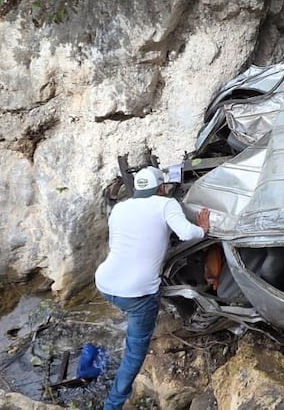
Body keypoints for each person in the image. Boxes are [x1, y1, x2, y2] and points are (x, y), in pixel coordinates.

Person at [95, 165, 210, 410]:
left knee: (131, 311)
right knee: (134, 355)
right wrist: (203, 229)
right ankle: (112, 406)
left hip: (105, 283)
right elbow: (187, 233)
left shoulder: (119, 208)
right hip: (138, 293)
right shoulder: (165, 204)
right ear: (161, 187)